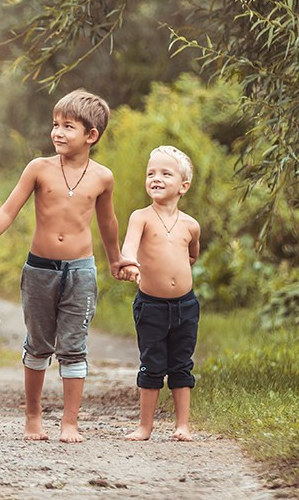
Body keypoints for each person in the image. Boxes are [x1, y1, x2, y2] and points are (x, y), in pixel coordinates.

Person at [0, 88, 133, 443]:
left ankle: (70, 422)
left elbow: (108, 223)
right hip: (39, 270)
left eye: (68, 126)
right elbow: (9, 209)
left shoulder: (103, 177)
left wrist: (116, 259)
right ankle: (33, 417)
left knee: (73, 346)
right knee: (38, 344)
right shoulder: (38, 168)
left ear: (91, 135)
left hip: (80, 272)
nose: (57, 132)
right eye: (55, 124)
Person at [119, 145, 201, 442]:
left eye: (166, 174)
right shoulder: (141, 217)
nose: (156, 178)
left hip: (186, 306)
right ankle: (145, 426)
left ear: (183, 186)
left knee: (181, 364)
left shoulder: (191, 225)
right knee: (152, 363)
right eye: (151, 173)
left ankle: (182, 425)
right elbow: (129, 245)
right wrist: (129, 261)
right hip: (151, 305)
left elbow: (192, 256)